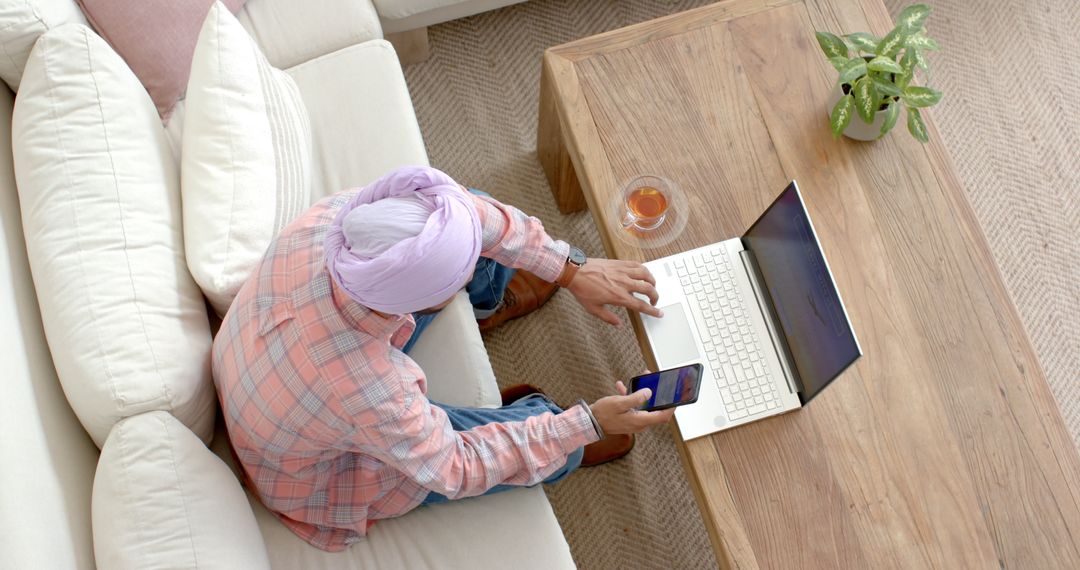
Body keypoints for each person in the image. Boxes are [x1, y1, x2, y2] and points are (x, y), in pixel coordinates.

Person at [212, 165, 674, 551]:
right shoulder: (372, 388)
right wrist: (586, 425)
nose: (474, 263)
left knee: (470, 209)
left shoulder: (346, 221)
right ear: (415, 303)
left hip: (268, 363)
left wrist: (570, 268)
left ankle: (488, 303)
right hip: (311, 474)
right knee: (501, 447)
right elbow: (456, 466)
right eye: (458, 279)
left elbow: (469, 210)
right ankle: (564, 436)